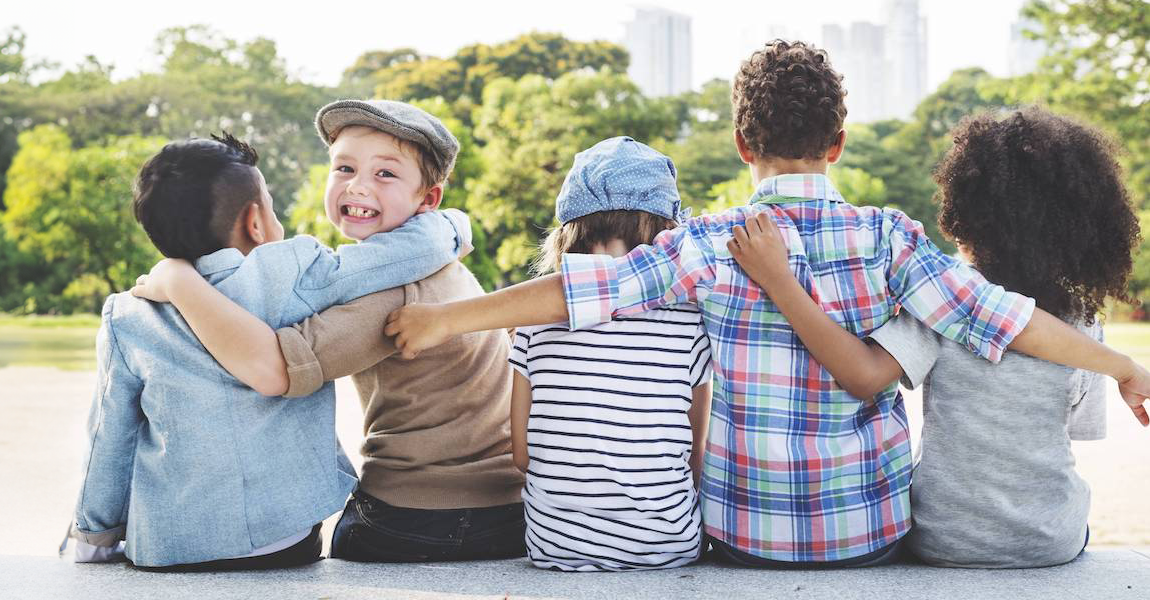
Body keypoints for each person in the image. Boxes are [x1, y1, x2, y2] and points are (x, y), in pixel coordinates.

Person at [383, 40, 1150, 568]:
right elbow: (1003, 320)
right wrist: (1118, 363)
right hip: (867, 535)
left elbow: (588, 289)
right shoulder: (891, 238)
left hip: (746, 535)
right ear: (840, 142)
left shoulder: (713, 240)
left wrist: (447, 316)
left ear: (743, 143)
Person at [723, 107, 1138, 568]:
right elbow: (1073, 435)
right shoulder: (1083, 330)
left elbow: (864, 374)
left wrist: (781, 282)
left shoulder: (935, 310)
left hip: (941, 538)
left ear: (964, 214)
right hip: (1050, 542)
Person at [131, 100, 524, 562]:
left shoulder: (387, 291)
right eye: (344, 168)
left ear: (428, 199)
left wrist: (180, 281)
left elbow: (273, 369)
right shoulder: (439, 254)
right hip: (508, 510)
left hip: (420, 514)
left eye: (385, 174)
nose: (357, 185)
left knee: (331, 535)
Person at [67, 132, 473, 571]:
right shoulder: (293, 271)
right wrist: (454, 224)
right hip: (284, 540)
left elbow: (109, 437)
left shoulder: (126, 315)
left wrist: (95, 535)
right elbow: (407, 252)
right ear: (257, 223)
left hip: (169, 545)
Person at [505, 137, 712, 571]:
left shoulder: (532, 321)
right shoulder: (689, 323)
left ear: (567, 233)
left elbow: (522, 455)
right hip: (666, 547)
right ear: (665, 237)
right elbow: (696, 455)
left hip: (555, 546)